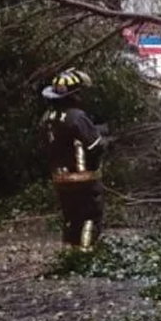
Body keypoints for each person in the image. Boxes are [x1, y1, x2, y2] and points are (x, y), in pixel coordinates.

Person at [40, 67, 106, 252]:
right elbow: (95, 147)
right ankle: (85, 254)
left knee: (71, 217)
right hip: (83, 178)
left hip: (59, 177)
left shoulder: (46, 118)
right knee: (90, 216)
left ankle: (70, 253)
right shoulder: (77, 117)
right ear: (73, 95)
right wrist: (105, 140)